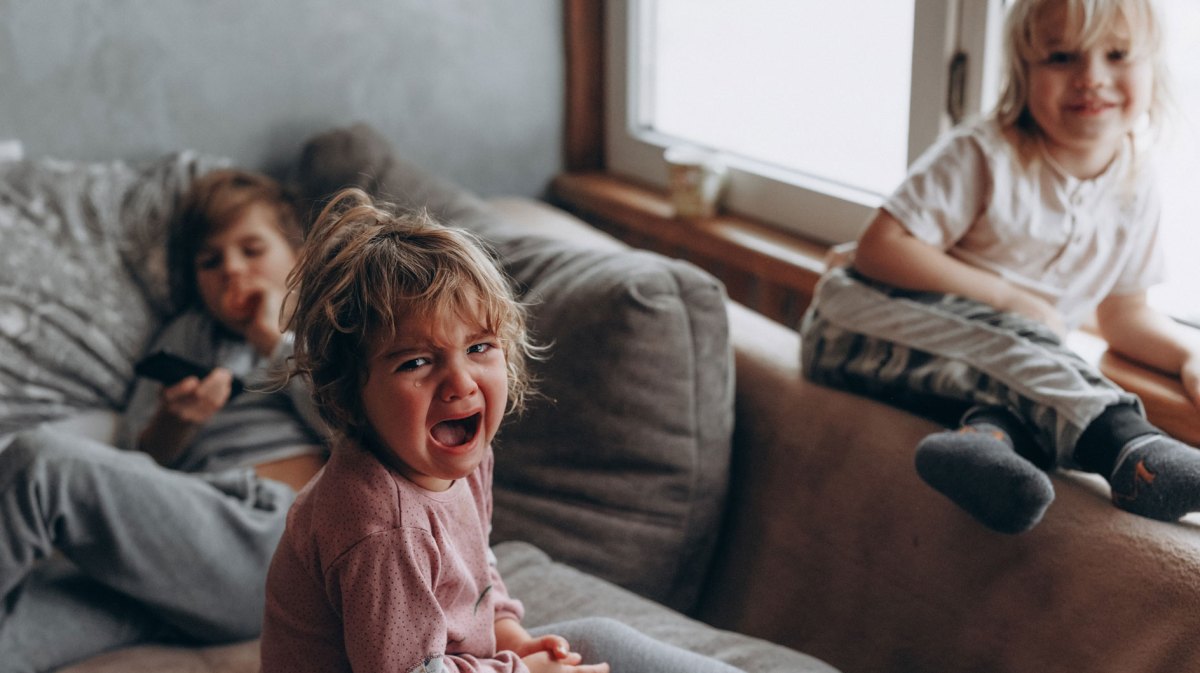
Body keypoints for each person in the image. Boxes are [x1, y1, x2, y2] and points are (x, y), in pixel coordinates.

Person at [260, 189, 745, 673]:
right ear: (347, 395)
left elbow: (473, 570)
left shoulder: (459, 457)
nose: (460, 382)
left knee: (601, 641)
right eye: (417, 361)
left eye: (479, 348)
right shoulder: (381, 526)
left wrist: (507, 632)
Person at [800, 0, 1200, 534]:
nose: (1092, 78)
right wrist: (1011, 300)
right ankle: (1130, 449)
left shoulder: (1134, 182)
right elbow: (880, 246)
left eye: (1118, 54)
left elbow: (1123, 315)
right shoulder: (984, 154)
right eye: (1062, 57)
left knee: (1023, 371)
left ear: (1155, 68)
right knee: (1024, 343)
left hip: (979, 370)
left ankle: (983, 442)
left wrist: (1188, 354)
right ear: (1023, 71)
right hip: (854, 323)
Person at [0, 168, 328, 672]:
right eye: (210, 261)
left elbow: (353, 428)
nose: (232, 271)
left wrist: (272, 342)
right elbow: (128, 465)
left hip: (275, 545)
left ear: (298, 255)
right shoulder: (186, 338)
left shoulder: (328, 330)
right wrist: (175, 426)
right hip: (175, 558)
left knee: (38, 464)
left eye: (252, 250)